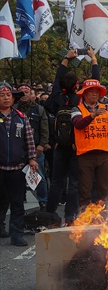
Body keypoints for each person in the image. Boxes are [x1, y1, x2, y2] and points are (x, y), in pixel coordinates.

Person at [45, 47, 100, 225]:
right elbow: (95, 84)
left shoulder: (55, 98)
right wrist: (93, 59)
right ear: (77, 86)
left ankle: (50, 216)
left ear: (61, 86)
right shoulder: (80, 100)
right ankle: (70, 217)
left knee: (56, 182)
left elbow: (56, 80)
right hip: (78, 147)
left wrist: (66, 59)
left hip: (59, 147)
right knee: (74, 184)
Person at [71, 79, 108, 207]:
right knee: (85, 189)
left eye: (96, 92)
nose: (94, 94)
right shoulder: (77, 109)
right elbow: (78, 124)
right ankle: (84, 217)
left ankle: (102, 216)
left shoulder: (107, 108)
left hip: (105, 154)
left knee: (103, 189)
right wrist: (93, 115)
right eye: (90, 92)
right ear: (84, 94)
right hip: (85, 155)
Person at [0, 83, 38, 246]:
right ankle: (1, 227)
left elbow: (29, 140)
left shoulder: (21, 117)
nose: (6, 98)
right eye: (2, 95)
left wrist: (32, 158)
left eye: (9, 95)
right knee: (1, 201)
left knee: (17, 202)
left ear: (13, 98)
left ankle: (17, 233)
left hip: (16, 168)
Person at [16, 84, 50, 211]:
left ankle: (43, 201)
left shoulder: (39, 110)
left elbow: (45, 129)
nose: (24, 95)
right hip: (17, 150)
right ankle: (20, 199)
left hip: (36, 149)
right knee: (18, 178)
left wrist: (41, 145)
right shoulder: (13, 109)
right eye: (21, 92)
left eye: (27, 92)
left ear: (32, 94)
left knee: (39, 176)